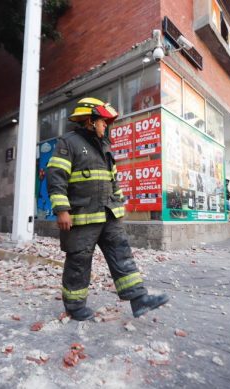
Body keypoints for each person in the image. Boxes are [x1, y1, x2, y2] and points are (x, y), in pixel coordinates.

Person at [47, 97, 168, 321]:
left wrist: (118, 203)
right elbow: (56, 178)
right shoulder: (69, 142)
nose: (106, 126)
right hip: (82, 217)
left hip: (108, 214)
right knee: (79, 261)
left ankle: (138, 299)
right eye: (103, 122)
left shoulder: (105, 146)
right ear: (90, 121)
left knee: (122, 254)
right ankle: (74, 306)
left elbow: (112, 180)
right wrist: (62, 210)